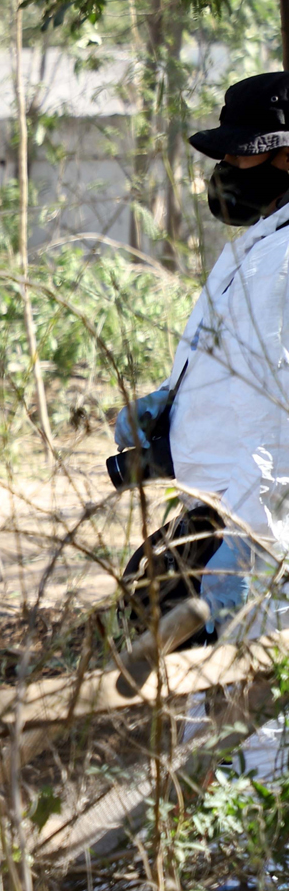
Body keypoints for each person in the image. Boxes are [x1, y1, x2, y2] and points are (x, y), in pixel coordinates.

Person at [117, 72, 289, 641]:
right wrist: (176, 407)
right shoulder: (264, 242)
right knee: (212, 720)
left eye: (238, 155)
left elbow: (278, 424)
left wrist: (244, 547)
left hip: (263, 535)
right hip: (226, 518)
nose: (224, 170)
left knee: (261, 722)